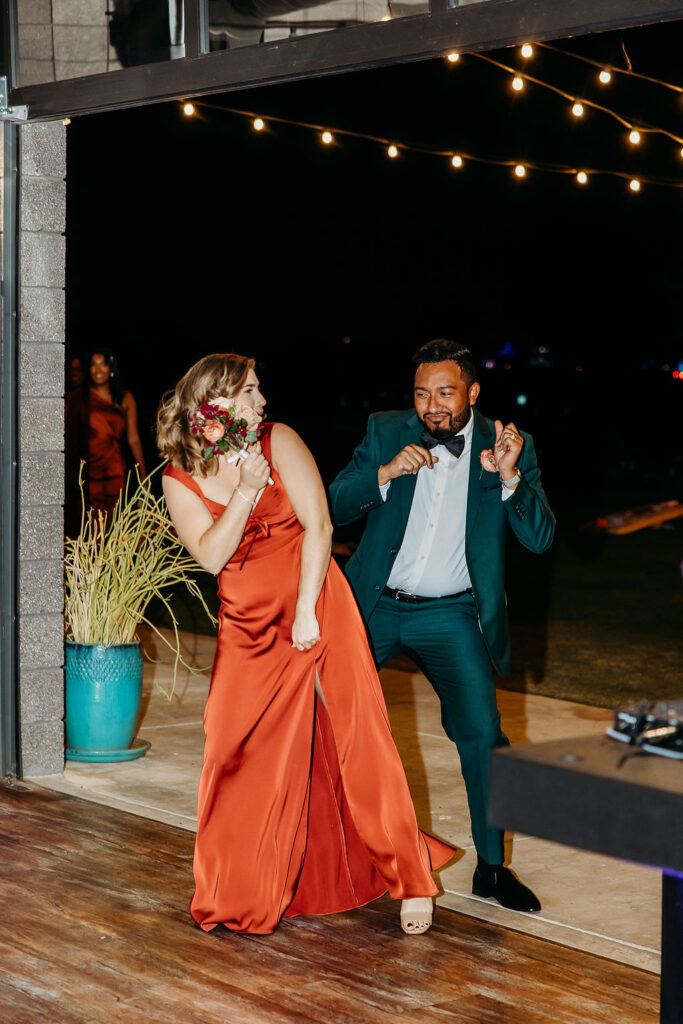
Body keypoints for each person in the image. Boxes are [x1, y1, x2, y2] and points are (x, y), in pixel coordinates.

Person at [156, 353, 454, 937]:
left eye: (259, 389)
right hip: (245, 617)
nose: (261, 400)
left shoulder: (280, 439)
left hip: (314, 594)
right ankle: (241, 887)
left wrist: (306, 613)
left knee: (357, 733)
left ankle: (413, 878)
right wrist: (244, 490)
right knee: (231, 743)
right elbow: (212, 555)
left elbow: (319, 526)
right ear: (214, 402)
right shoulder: (179, 475)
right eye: (249, 391)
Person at [329, 338, 555, 913]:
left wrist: (509, 479)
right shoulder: (386, 429)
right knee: (318, 713)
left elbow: (540, 537)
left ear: (473, 393)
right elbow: (332, 504)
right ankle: (323, 846)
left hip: (452, 612)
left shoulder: (506, 447)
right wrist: (383, 472)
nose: (432, 406)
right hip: (374, 605)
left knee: (483, 734)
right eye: (423, 393)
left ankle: (492, 868)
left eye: (446, 392)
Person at [66, 348, 146, 528]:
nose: (98, 370)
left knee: (114, 524)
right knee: (90, 527)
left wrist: (143, 474)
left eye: (103, 364)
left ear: (111, 368)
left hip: (115, 470)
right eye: (94, 365)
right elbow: (71, 436)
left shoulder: (125, 399)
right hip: (89, 471)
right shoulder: (81, 397)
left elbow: (133, 438)